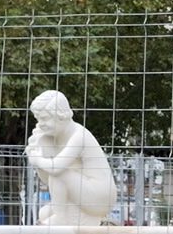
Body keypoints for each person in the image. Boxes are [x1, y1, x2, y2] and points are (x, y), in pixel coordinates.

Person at [26, 91, 117, 226]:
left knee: (57, 170)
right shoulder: (56, 137)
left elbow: (56, 170)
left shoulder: (79, 135)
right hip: (82, 193)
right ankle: (71, 218)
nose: (41, 124)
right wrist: (40, 149)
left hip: (100, 196)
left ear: (61, 116)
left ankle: (61, 218)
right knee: (44, 213)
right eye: (38, 119)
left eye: (45, 118)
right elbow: (48, 180)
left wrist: (38, 159)